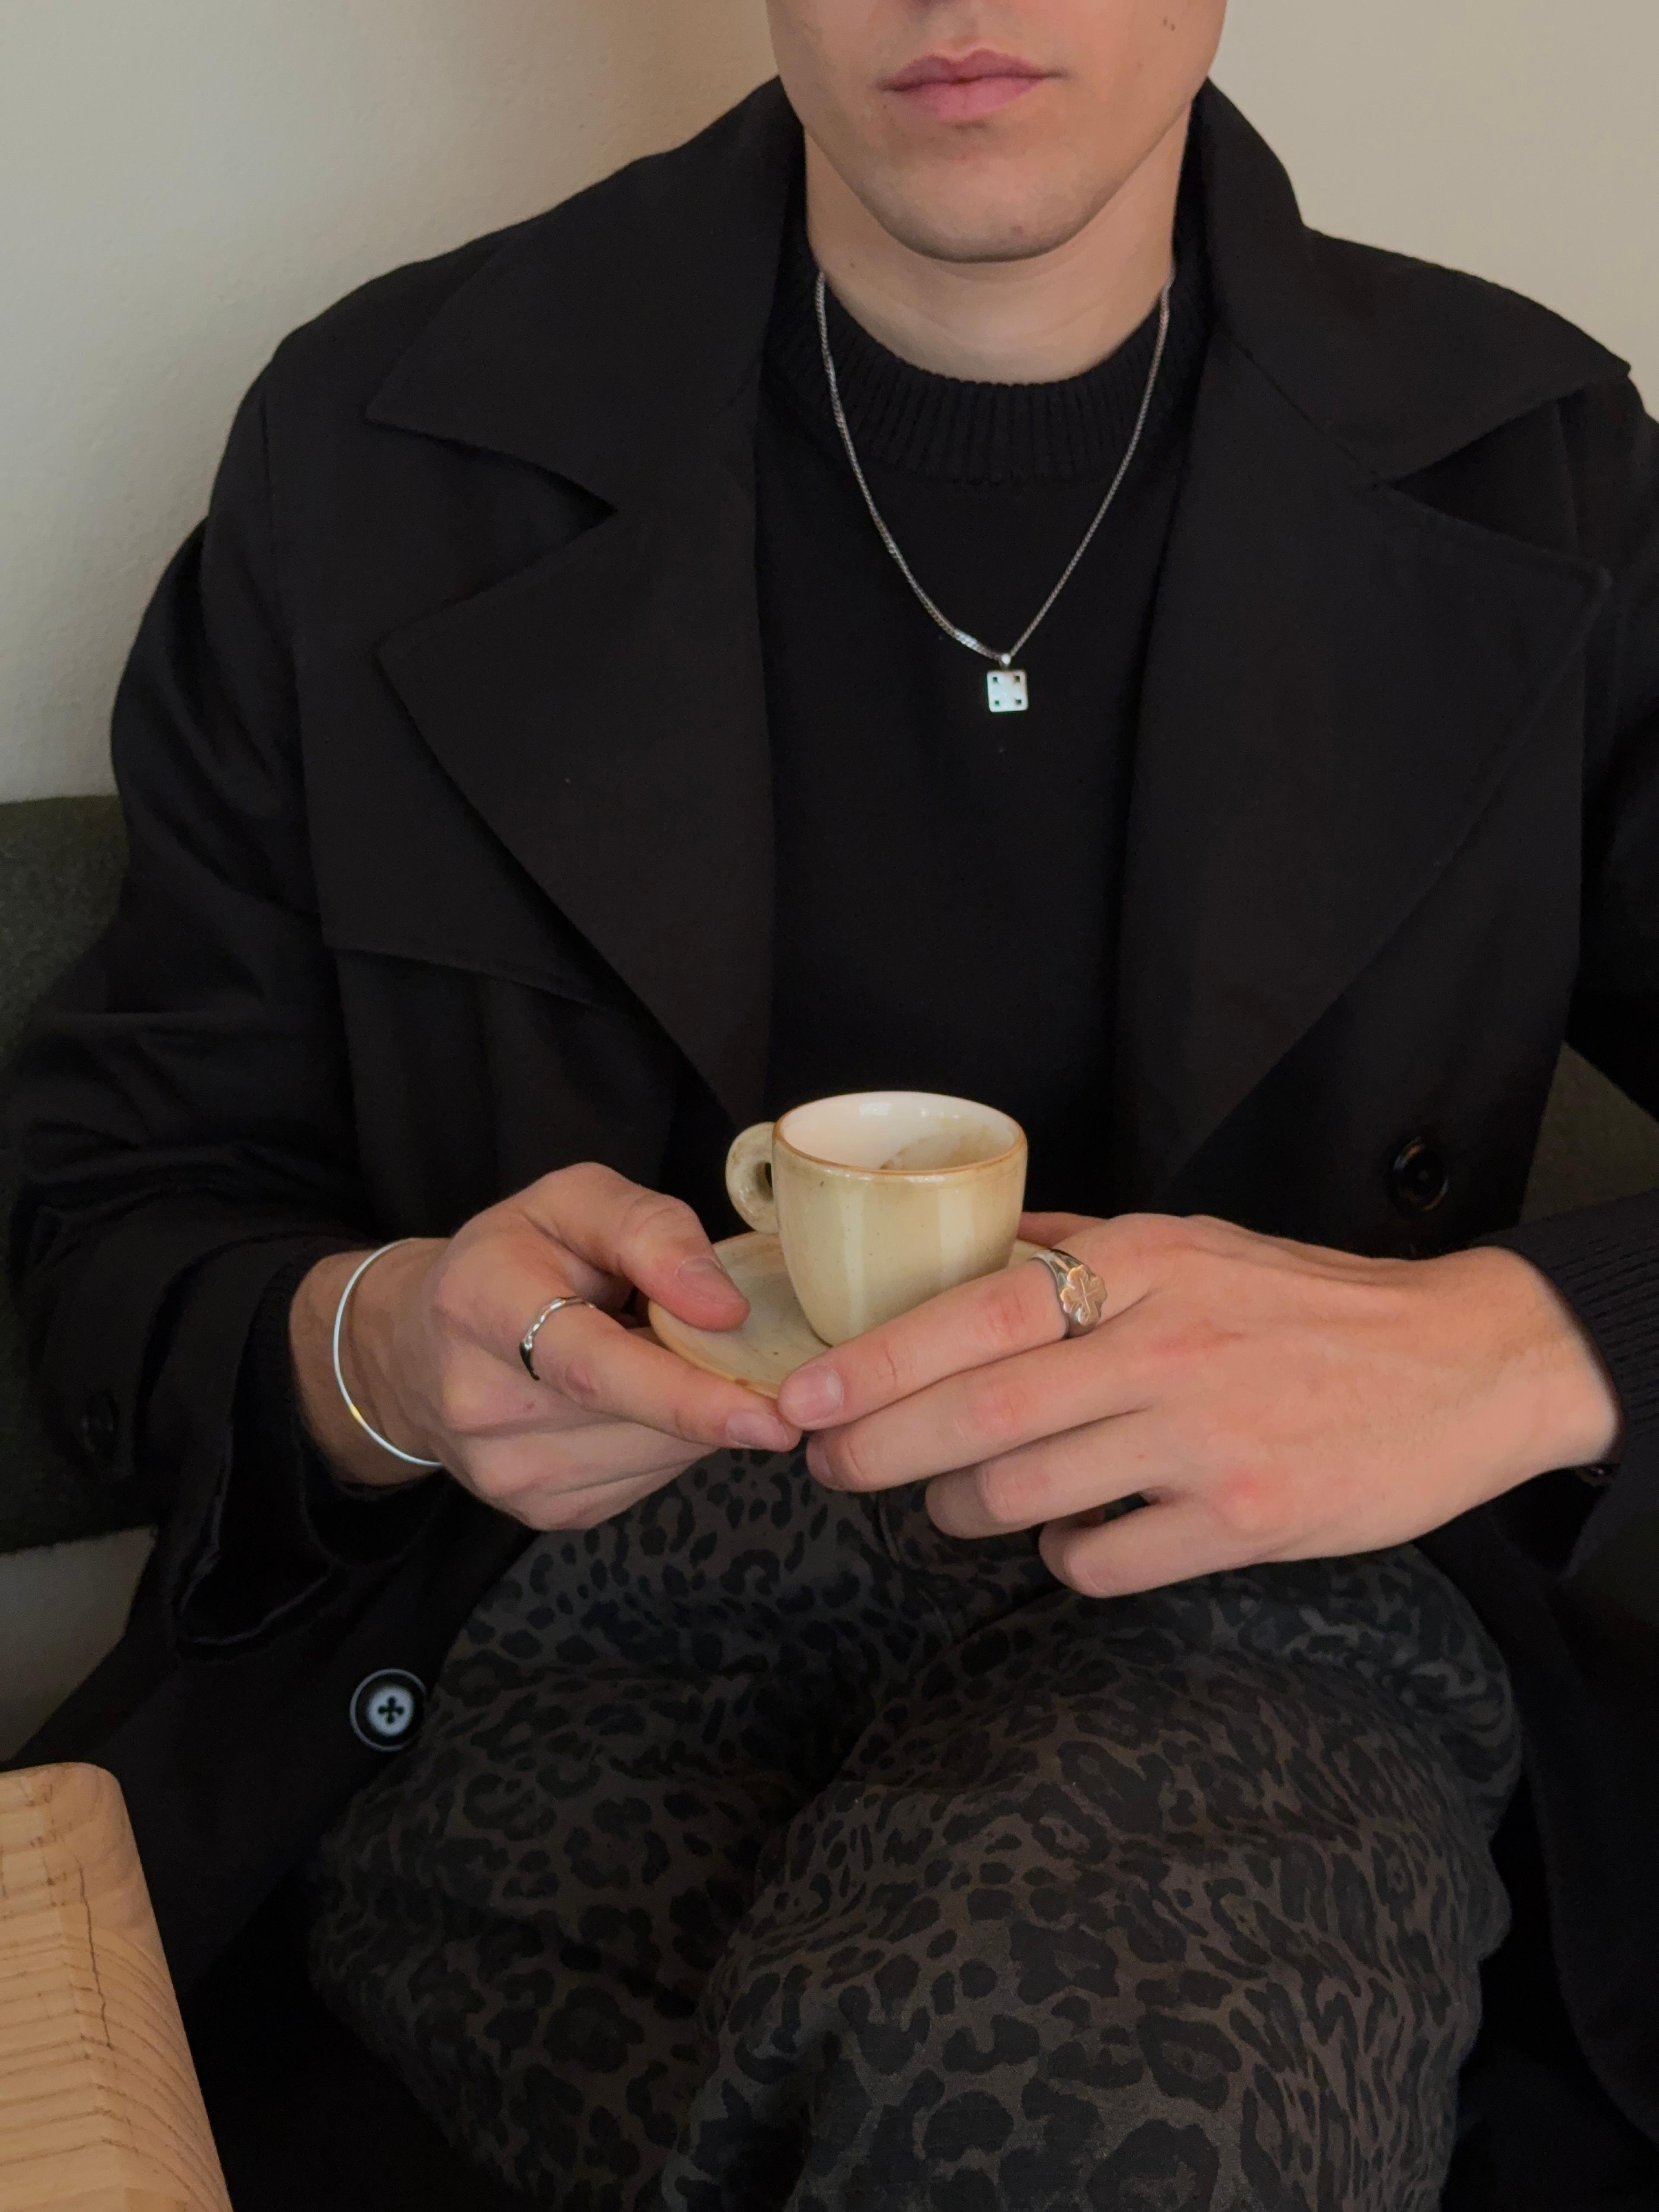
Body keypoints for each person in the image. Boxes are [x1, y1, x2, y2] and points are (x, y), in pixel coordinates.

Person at [6, 0, 1659, 2204]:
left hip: (1255, 1631)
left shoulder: (1532, 459)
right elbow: (105, 1218)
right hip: (518, 1662)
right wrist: (382, 1350)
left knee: (1099, 2108)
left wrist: (1516, 1344)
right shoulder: (380, 446)